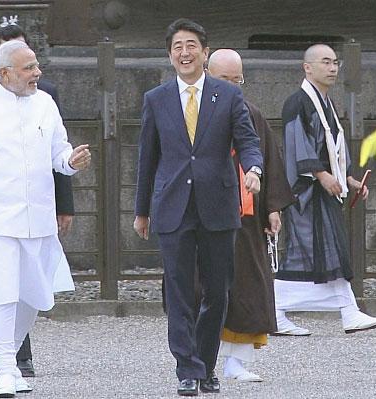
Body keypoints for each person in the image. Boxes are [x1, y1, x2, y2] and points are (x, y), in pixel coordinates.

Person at [0, 40, 91, 398]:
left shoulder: (45, 104)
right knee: (2, 292)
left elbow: (58, 152)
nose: (37, 73)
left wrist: (70, 162)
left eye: (37, 65)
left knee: (36, 296)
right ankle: (5, 370)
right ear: (5, 73)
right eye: (29, 68)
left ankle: (2, 351)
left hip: (37, 216)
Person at [134, 19, 263, 396]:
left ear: (204, 53)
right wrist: (142, 211)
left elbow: (249, 141)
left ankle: (206, 366)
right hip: (172, 206)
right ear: (170, 54)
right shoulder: (156, 99)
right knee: (177, 290)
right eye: (177, 46)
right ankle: (187, 369)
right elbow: (147, 158)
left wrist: (252, 169)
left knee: (217, 291)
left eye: (191, 46)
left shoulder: (228, 95)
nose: (185, 53)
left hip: (219, 205)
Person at [274, 43, 376, 335]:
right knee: (309, 251)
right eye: (325, 62)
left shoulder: (327, 105)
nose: (333, 68)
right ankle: (281, 308)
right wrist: (321, 175)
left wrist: (348, 179)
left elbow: (335, 148)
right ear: (307, 67)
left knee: (325, 252)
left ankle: (279, 309)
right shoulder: (296, 103)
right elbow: (297, 146)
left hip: (325, 191)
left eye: (335, 62)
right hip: (306, 192)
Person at [207, 49, 295, 382]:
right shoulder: (194, 113)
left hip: (246, 218)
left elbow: (269, 160)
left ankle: (236, 362)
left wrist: (272, 207)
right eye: (223, 80)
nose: (231, 86)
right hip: (206, 216)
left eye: (237, 80)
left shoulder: (252, 114)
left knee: (249, 289)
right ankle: (202, 360)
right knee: (204, 289)